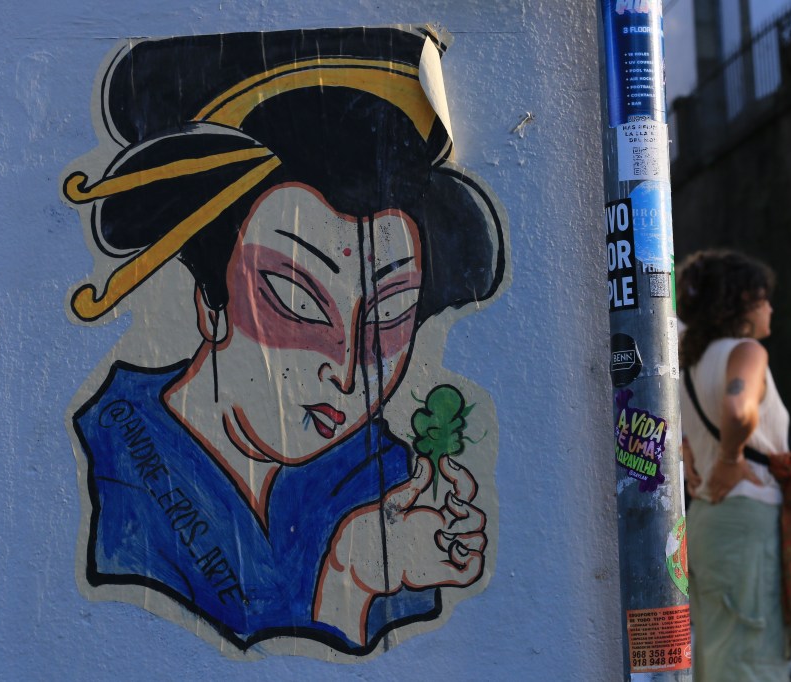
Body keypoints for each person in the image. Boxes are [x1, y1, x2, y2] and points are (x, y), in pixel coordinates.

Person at [63, 27, 505, 654]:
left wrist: (361, 573)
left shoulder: (393, 489)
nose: (347, 372)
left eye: (389, 314)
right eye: (297, 302)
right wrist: (346, 581)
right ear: (210, 301)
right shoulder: (114, 459)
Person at [677, 249, 791, 680]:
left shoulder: (690, 364)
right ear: (744, 300)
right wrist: (730, 458)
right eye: (764, 298)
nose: (770, 308)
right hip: (745, 513)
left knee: (718, 650)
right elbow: (739, 410)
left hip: (707, 518)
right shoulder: (747, 352)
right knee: (749, 656)